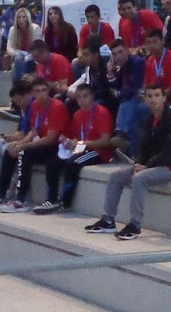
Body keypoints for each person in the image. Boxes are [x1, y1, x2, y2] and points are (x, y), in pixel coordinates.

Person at [86, 82, 171, 241]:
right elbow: (144, 148)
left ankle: (135, 225)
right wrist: (138, 163)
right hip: (152, 165)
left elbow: (170, 153)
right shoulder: (149, 119)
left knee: (139, 178)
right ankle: (108, 220)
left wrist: (146, 166)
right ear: (145, 99)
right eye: (149, 96)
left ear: (164, 98)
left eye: (157, 95)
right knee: (116, 176)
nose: (153, 99)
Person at [36, 81, 114, 214]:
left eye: (85, 96)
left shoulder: (102, 112)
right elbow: (77, 138)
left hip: (99, 152)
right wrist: (69, 143)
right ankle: (51, 199)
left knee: (72, 163)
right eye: (79, 97)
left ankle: (65, 202)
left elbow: (105, 141)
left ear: (92, 97)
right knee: (53, 161)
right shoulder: (77, 115)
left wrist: (82, 144)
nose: (82, 100)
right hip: (82, 148)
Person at [0, 80, 67, 213]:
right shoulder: (34, 105)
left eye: (44, 90)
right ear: (32, 93)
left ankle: (21, 200)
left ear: (48, 91)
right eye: (38, 91)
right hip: (42, 144)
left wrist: (24, 146)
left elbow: (51, 139)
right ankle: (1, 195)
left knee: (24, 153)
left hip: (58, 146)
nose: (42, 94)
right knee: (10, 151)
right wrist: (20, 143)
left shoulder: (57, 106)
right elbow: (34, 131)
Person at [0, 80, 38, 210]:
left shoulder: (34, 106)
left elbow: (33, 133)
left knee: (7, 148)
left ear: (27, 95)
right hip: (22, 139)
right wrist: (10, 136)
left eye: (19, 100)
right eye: (16, 101)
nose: (18, 103)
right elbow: (22, 131)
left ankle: (5, 193)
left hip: (33, 143)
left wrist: (17, 140)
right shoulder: (23, 109)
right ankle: (10, 181)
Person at [104, 40, 149, 155]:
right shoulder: (122, 66)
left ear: (127, 51)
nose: (118, 57)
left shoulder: (137, 62)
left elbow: (134, 88)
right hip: (132, 100)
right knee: (128, 108)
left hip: (145, 99)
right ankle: (132, 150)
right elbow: (115, 86)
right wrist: (110, 72)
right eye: (114, 54)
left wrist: (118, 94)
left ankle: (122, 134)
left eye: (120, 52)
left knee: (127, 104)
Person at [139, 28, 171, 105]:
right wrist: (143, 94)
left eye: (155, 42)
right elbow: (147, 83)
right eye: (149, 42)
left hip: (169, 100)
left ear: (163, 41)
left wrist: (157, 99)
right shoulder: (150, 60)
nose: (152, 46)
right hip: (154, 98)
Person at [4, 7, 39, 84]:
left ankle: (19, 86)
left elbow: (38, 47)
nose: (21, 19)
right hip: (18, 58)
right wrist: (19, 53)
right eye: (19, 17)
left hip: (32, 59)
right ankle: (22, 84)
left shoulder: (35, 28)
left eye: (24, 17)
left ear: (28, 18)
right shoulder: (12, 29)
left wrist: (28, 56)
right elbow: (9, 48)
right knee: (18, 60)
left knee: (16, 68)